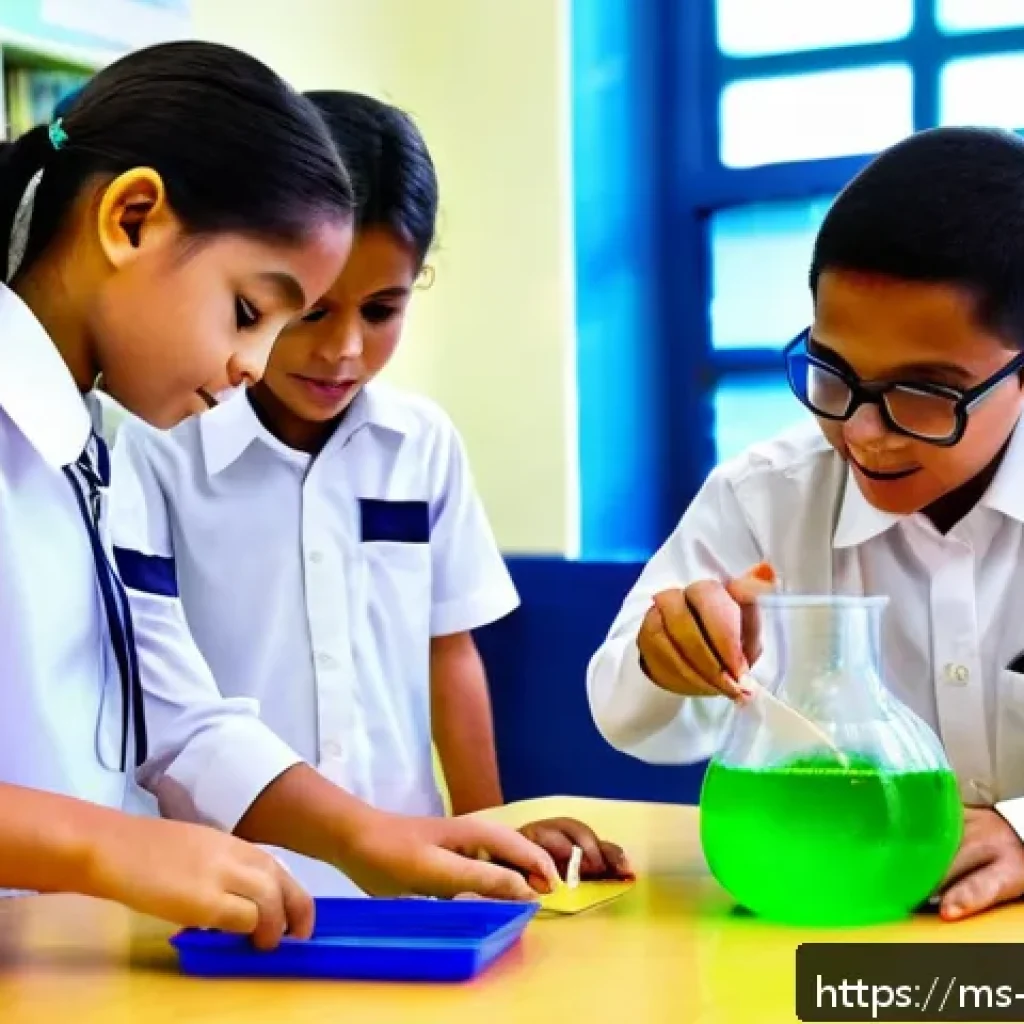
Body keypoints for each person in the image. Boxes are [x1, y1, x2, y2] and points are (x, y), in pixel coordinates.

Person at [0, 42, 555, 948]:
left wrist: (376, 838)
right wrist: (110, 844)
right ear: (131, 219)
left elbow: (175, 717)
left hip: (60, 966)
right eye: (251, 312)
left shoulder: (85, 447)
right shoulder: (106, 446)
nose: (253, 366)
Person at [111, 90, 631, 894]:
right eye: (311, 312)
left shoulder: (420, 444)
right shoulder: (156, 445)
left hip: (408, 876)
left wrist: (488, 832)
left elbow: (449, 651)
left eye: (382, 310)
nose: (343, 350)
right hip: (223, 884)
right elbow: (160, 705)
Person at [587, 126, 1024, 922]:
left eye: (924, 392)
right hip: (827, 921)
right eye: (833, 373)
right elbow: (626, 712)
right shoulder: (767, 496)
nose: (863, 431)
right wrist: (669, 655)